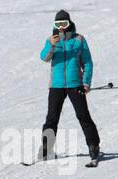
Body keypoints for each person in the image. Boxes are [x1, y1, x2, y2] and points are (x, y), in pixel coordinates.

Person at [39, 10, 101, 167]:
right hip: (56, 86)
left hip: (75, 85)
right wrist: (52, 46)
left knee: (83, 116)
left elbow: (87, 63)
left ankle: (93, 147)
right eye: (57, 24)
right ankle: (46, 149)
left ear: (69, 23)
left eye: (63, 24)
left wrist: (86, 83)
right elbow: (44, 58)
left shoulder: (79, 40)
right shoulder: (51, 40)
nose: (61, 27)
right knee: (52, 118)